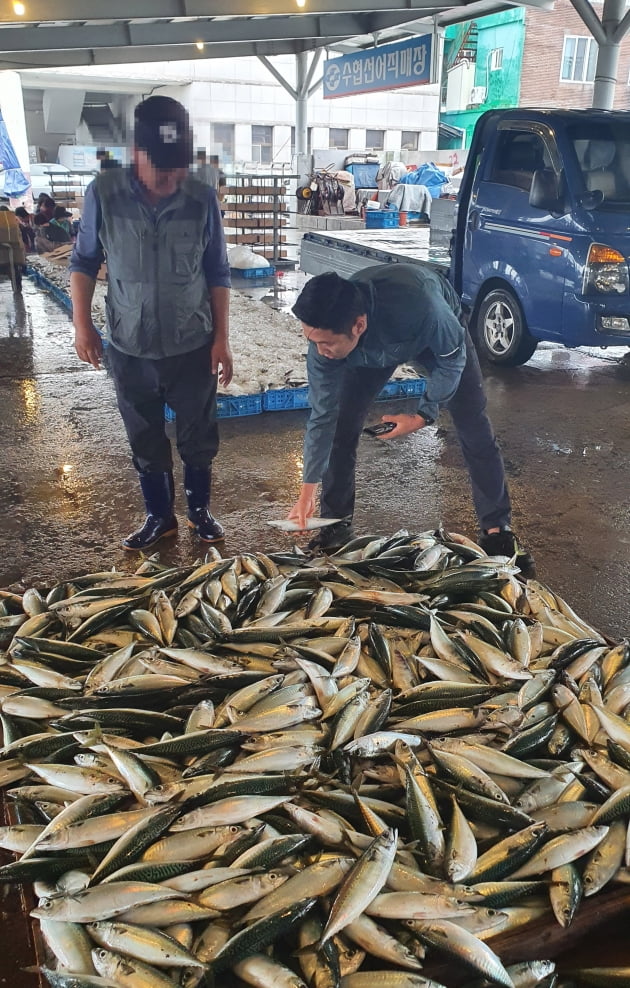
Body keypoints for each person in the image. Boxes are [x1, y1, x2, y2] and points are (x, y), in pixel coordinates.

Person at [288, 264, 535, 575]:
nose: (319, 351)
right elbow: (322, 416)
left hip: (433, 342)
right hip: (364, 354)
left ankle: (497, 530)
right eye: (313, 341)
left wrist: (423, 414)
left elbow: (452, 359)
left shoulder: (426, 308)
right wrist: (307, 491)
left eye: (325, 343)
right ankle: (335, 526)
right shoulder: (326, 345)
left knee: (472, 423)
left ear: (358, 325)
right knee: (339, 427)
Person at [70, 95, 232, 552]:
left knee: (199, 435)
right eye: (161, 170)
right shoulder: (104, 192)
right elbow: (83, 262)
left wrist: (222, 339)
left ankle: (199, 510)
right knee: (143, 433)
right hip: (129, 343)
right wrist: (83, 326)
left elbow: (217, 271)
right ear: (135, 154)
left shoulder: (202, 195)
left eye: (178, 168)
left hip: (192, 343)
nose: (171, 179)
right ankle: (159, 517)